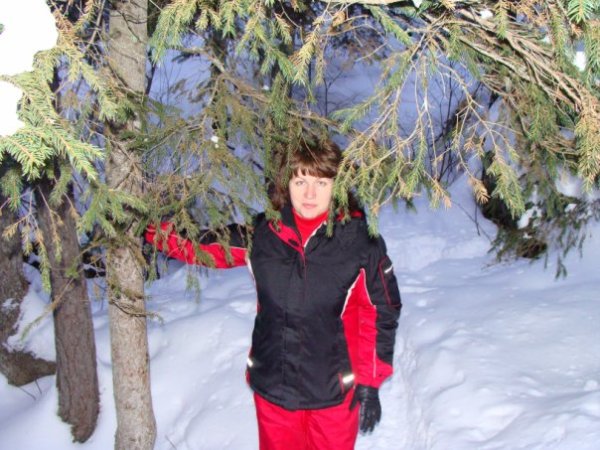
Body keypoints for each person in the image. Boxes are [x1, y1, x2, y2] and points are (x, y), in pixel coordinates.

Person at [145, 138, 402, 450]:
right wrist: (149, 229)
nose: (310, 194)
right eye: (300, 181)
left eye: (321, 183)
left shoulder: (360, 244)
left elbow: (380, 311)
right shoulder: (264, 234)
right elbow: (203, 246)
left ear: (337, 187)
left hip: (333, 394)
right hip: (273, 389)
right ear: (286, 185)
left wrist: (370, 381)